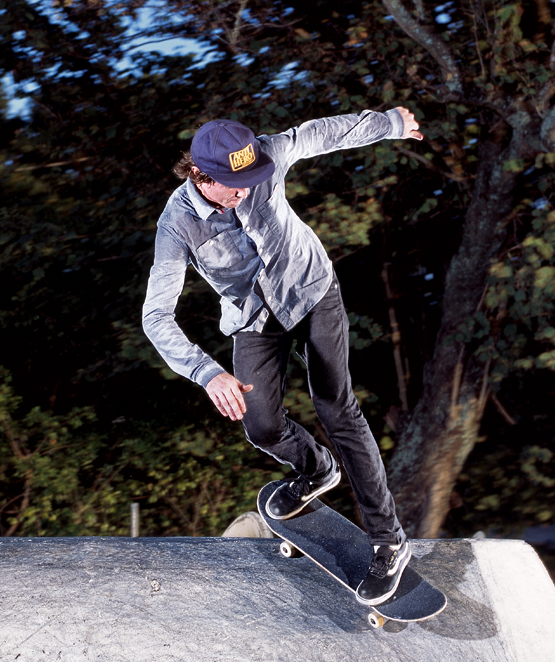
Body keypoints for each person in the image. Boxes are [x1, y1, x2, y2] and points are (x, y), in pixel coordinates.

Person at [141, 111, 423, 605]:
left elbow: (324, 134)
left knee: (336, 407)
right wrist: (207, 373)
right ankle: (316, 470)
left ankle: (388, 541)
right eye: (233, 187)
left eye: (250, 182)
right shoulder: (176, 227)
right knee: (262, 427)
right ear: (199, 176)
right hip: (254, 319)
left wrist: (391, 124)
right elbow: (156, 315)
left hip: (312, 292)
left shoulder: (267, 156)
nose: (245, 193)